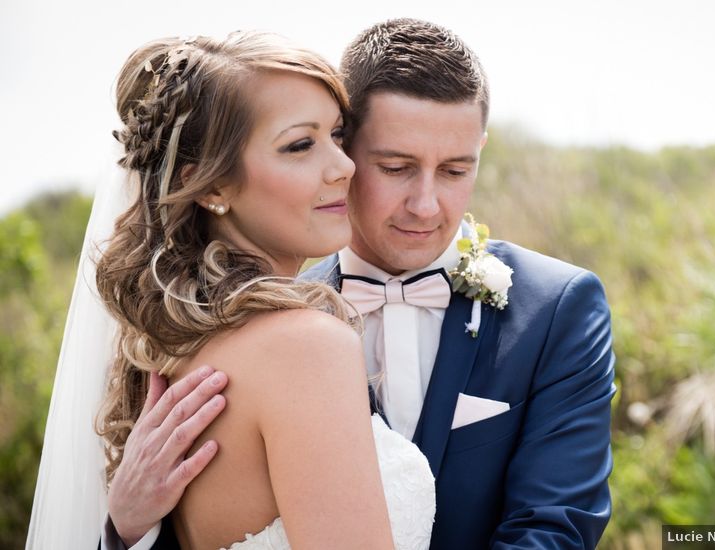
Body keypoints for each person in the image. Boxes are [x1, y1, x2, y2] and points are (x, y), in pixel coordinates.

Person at [105, 18, 616, 549]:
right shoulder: (271, 336)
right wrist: (127, 529)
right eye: (395, 167)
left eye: (456, 170)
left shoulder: (558, 306)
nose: (425, 205)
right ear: (355, 149)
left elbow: (555, 527)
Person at [27, 31, 436, 550]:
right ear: (212, 186)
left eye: (337, 134)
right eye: (300, 145)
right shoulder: (306, 347)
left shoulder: (170, 350)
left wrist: (123, 533)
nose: (344, 165)